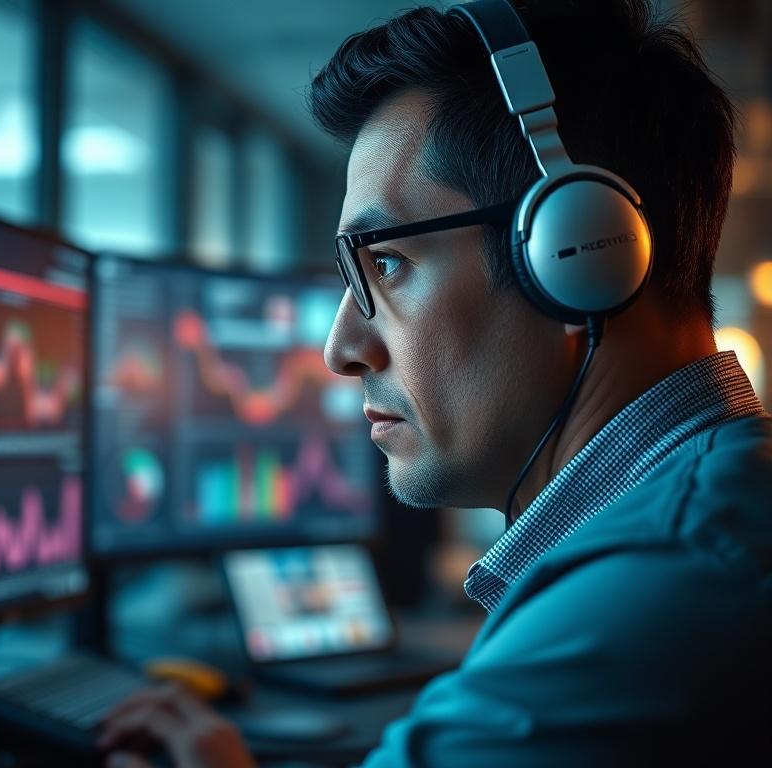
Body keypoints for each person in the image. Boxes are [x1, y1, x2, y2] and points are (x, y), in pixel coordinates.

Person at [96, 1, 772, 765]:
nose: (340, 350)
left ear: (577, 255)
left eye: (385, 263)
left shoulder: (660, 585)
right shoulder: (716, 503)